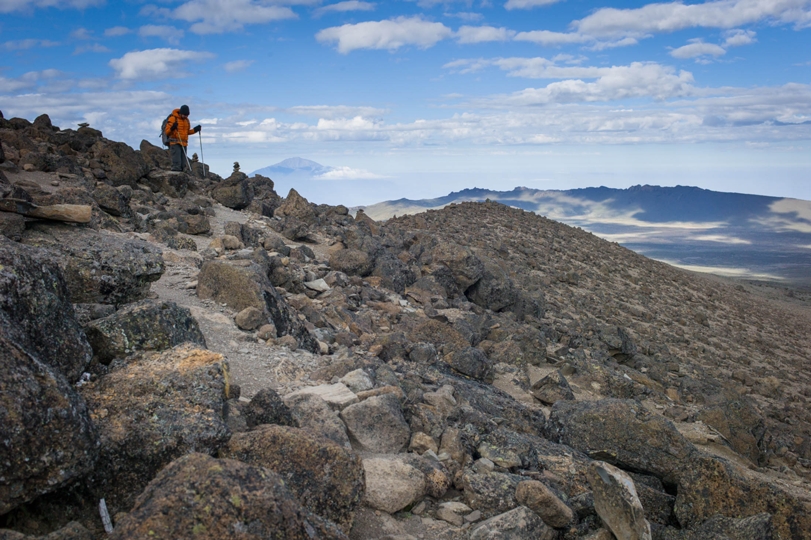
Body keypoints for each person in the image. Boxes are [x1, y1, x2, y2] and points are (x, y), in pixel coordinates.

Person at [164, 105, 201, 172]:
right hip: (175, 143)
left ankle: (181, 175)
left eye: (187, 115)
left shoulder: (186, 120)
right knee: (176, 163)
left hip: (184, 143)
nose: (186, 116)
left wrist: (195, 130)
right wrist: (172, 128)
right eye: (184, 115)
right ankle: (175, 176)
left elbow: (187, 132)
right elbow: (167, 132)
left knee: (183, 164)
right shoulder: (173, 119)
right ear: (181, 113)